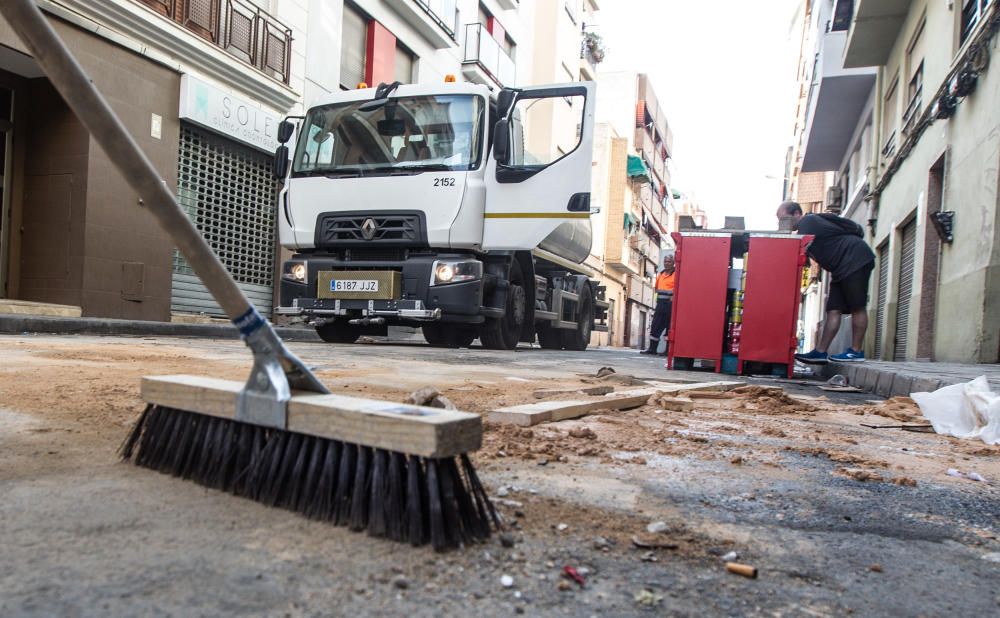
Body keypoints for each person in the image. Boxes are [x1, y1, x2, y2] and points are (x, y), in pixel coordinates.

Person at [777, 201, 875, 364]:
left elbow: (793, 247)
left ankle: (856, 351)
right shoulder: (808, 228)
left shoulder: (807, 222)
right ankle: (820, 352)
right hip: (840, 268)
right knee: (833, 310)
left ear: (796, 214)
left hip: (855, 260)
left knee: (857, 306)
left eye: (783, 218)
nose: (781, 223)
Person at [640, 253, 676, 355]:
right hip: (660, 305)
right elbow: (656, 289)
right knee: (655, 326)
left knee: (669, 327)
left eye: (669, 261)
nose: (667, 263)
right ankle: (652, 349)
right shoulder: (660, 275)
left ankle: (667, 351)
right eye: (665, 261)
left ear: (673, 263)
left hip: (670, 305)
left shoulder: (676, 274)